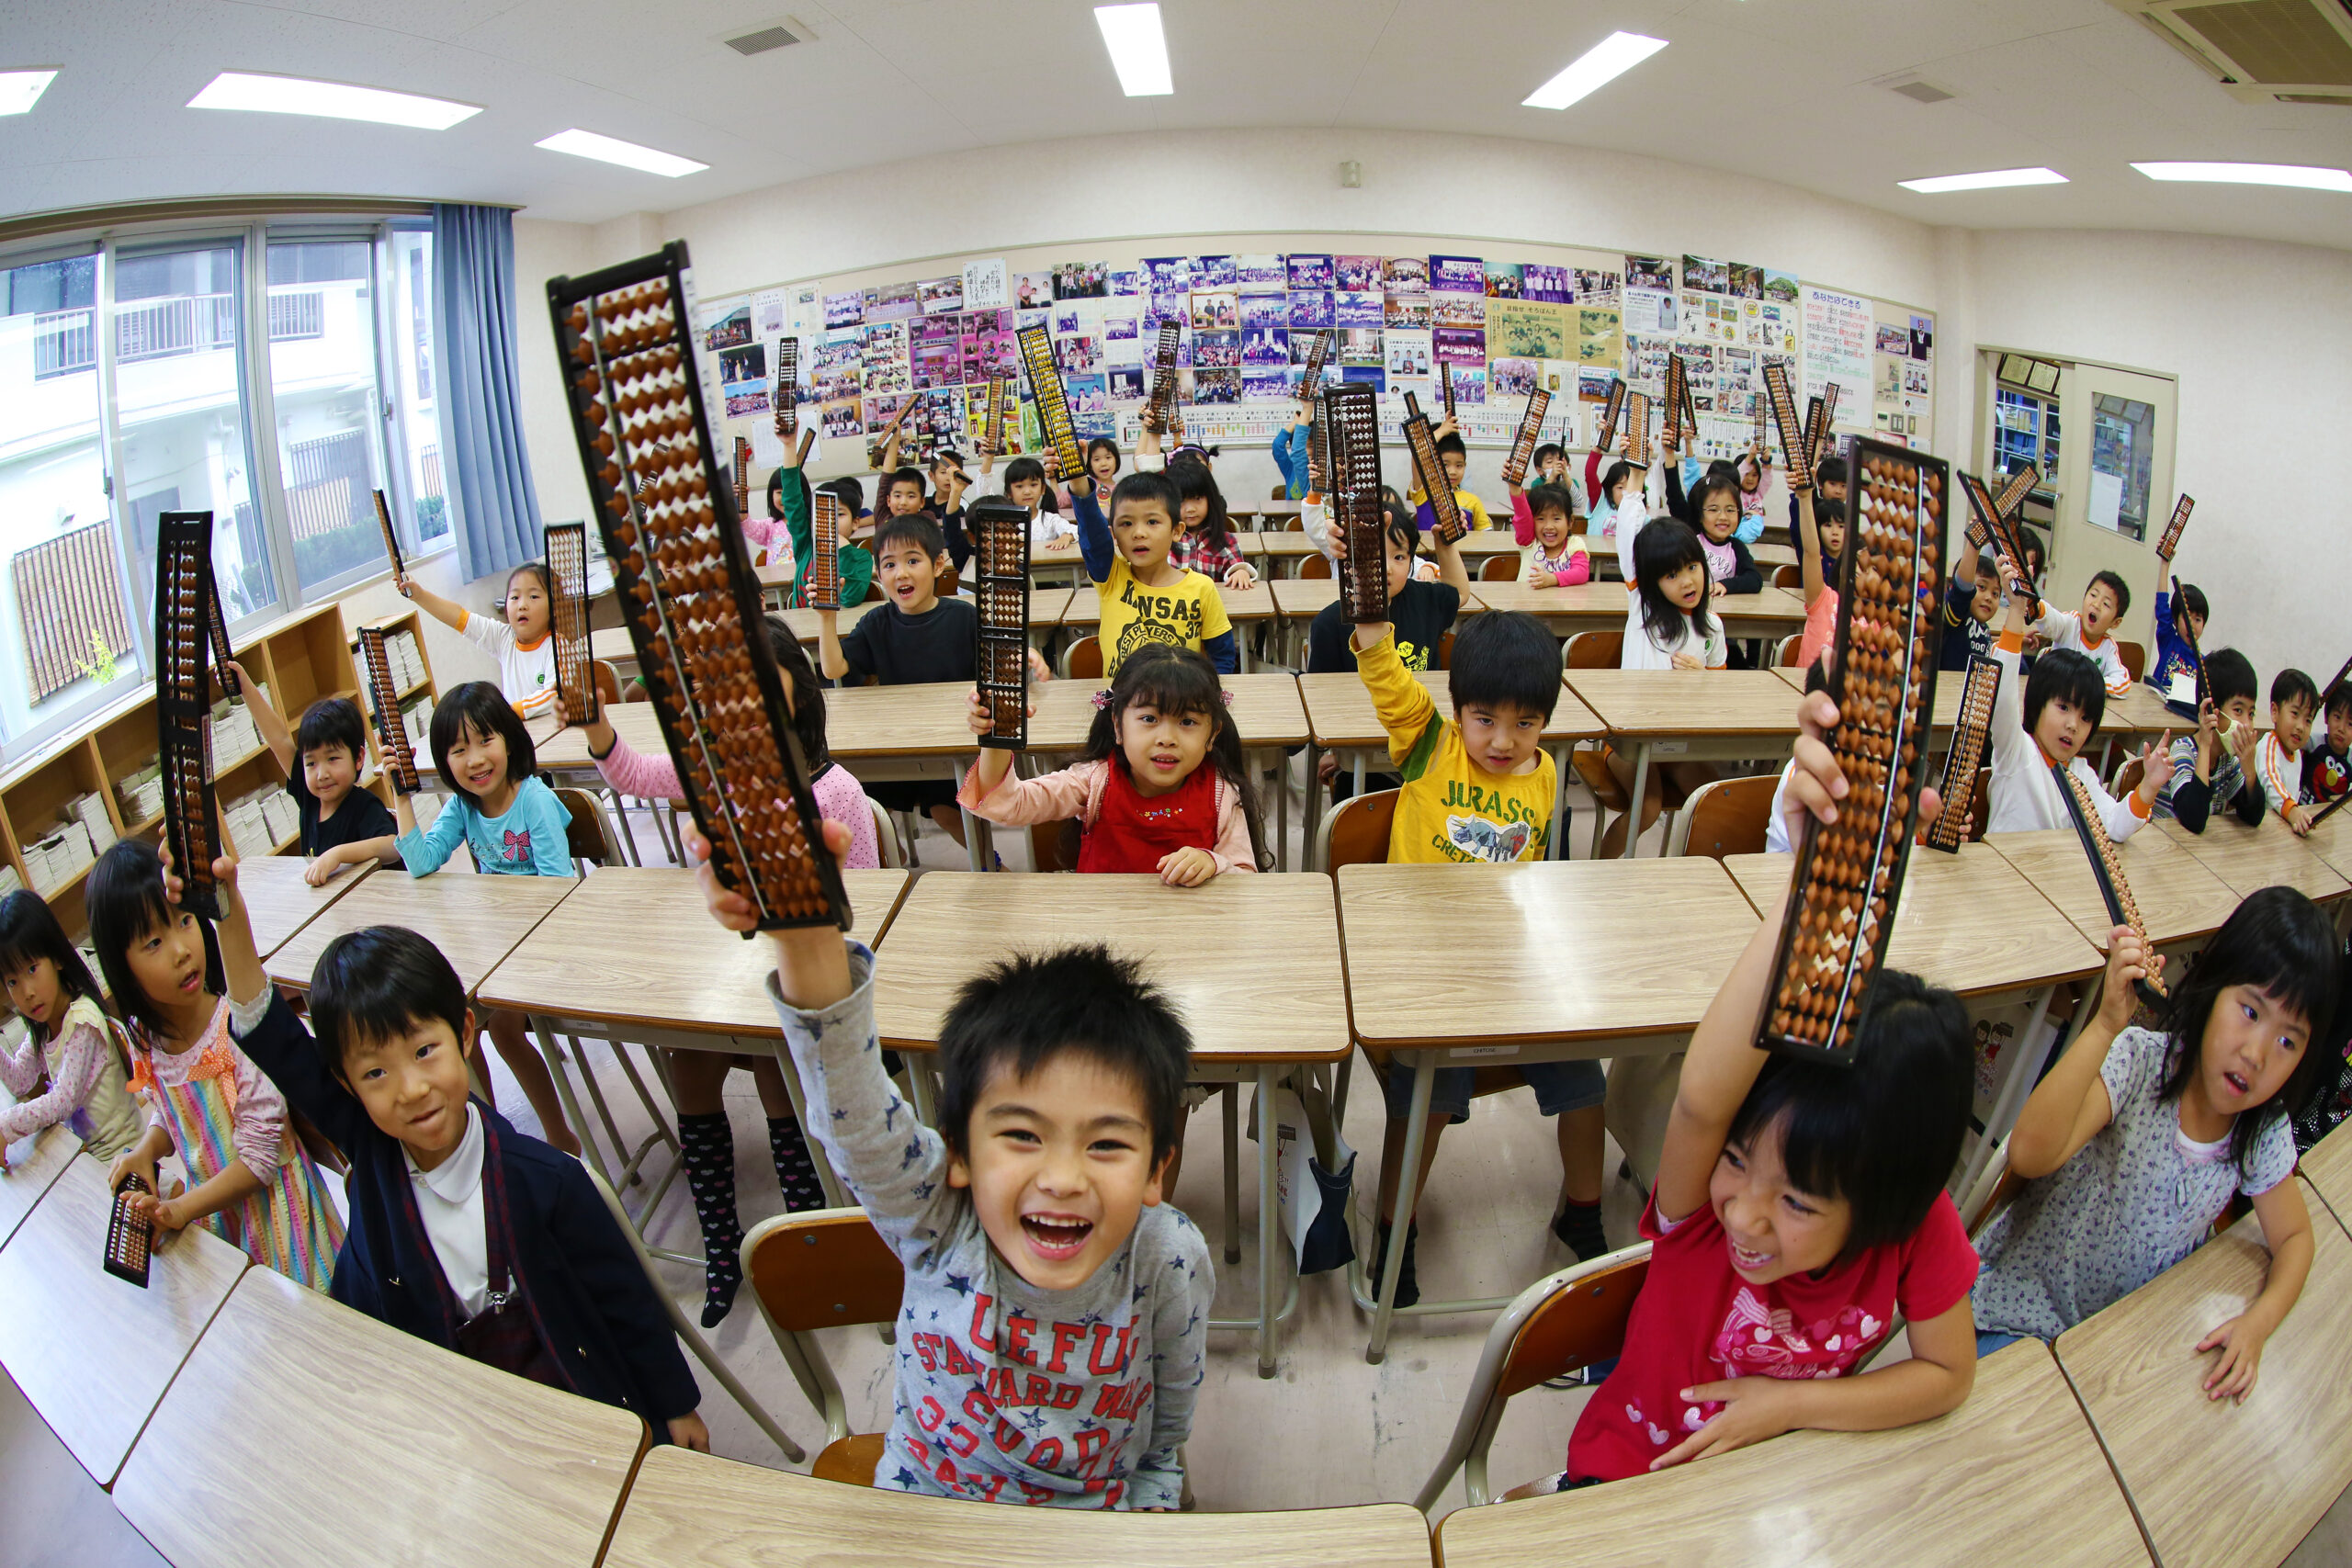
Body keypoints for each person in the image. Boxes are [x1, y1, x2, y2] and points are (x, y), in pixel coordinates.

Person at [1518, 694, 1978, 1490]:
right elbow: (1701, 1096)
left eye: (1798, 1202)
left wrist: (1788, 1406)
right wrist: (1811, 882)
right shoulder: (1704, 1215)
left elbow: (1947, 1374)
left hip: (1778, 1495)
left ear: (1885, 1202)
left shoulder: (1910, 1218)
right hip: (1634, 1472)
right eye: (1737, 1159)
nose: (1745, 1213)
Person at [695, 817, 1215, 1508]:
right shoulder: (940, 1221)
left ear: (1158, 1169)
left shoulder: (1166, 1255)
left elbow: (1171, 1408)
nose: (1062, 1178)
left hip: (1093, 1515)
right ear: (959, 1154)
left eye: (1107, 1143)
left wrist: (1152, 1497)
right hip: (926, 1498)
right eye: (1023, 1135)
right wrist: (808, 938)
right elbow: (858, 1125)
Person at [173, 849, 708, 1446]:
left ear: (465, 1034)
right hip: (457, 1417)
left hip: (571, 1397)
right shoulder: (371, 1149)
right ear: (347, 1085)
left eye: (425, 1050)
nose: (411, 1088)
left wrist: (675, 1405)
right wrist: (227, 917)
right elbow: (272, 1035)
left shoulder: (548, 1180)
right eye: (375, 1073)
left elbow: (626, 1299)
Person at [561, 620, 874, 1320]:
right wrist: (597, 726)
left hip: (802, 980)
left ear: (797, 702)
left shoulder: (837, 793)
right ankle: (720, 1236)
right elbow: (637, 774)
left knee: (765, 1057)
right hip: (731, 964)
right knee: (688, 1059)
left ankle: (807, 1225)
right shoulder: (715, 776)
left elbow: (864, 912)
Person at [1972, 887, 2335, 1399]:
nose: (2256, 1054)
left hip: (2117, 1348)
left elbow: (2296, 1239)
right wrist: (2103, 1026)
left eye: (2287, 1041)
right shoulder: (2142, 1064)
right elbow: (2030, 1153)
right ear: (2212, 989)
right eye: (2250, 1012)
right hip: (2023, 1312)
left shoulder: (2260, 1131)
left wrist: (2257, 1325)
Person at [1351, 610, 1591, 1296]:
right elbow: (1388, 678)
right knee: (1429, 1090)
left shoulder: (1543, 774)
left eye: (1526, 723)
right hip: (1426, 963)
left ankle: (1584, 1211)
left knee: (1585, 1064)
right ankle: (1397, 1226)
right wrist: (1372, 629)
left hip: (1503, 961)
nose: (1503, 740)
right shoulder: (1429, 745)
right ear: (1457, 710)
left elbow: (1533, 875)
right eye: (1485, 719)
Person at [89, 839, 344, 1290]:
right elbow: (174, 1115)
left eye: (185, 921)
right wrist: (148, 1148)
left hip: (287, 1228)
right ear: (121, 967)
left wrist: (183, 1209)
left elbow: (261, 1159)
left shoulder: (239, 1029)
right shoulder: (144, 1039)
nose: (181, 949)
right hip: (223, 1228)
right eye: (153, 941)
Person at [391, 682, 580, 1155]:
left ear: (510, 741)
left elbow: (558, 889)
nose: (474, 759)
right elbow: (422, 860)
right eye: (458, 749)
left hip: (546, 939)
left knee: (503, 1032)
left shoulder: (533, 800)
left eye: (485, 741)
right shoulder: (462, 806)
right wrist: (402, 799)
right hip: (497, 943)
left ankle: (560, 1137)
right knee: (461, 1027)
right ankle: (487, 1136)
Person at [818, 513, 1050, 850]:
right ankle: (890, 869)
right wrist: (826, 618)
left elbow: (1003, 658)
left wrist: (1024, 657)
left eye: (913, 560)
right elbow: (834, 669)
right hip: (899, 741)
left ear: (939, 564)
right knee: (861, 798)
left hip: (958, 742)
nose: (902, 573)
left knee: (942, 806)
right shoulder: (876, 622)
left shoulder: (964, 617)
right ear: (879, 573)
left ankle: (991, 865)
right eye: (889, 565)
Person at [959, 646, 1271, 882]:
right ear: (1119, 728)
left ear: (1212, 734)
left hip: (1189, 934)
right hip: (1102, 932)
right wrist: (997, 735)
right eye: (1149, 719)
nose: (1167, 738)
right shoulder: (1094, 780)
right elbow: (1009, 804)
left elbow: (1245, 881)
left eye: (1187, 721)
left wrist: (1214, 863)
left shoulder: (1222, 794)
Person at [1985, 575, 2165, 835]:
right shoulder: (2017, 749)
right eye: (2064, 708)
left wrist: (2148, 787)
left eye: (2085, 718)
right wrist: (2016, 610)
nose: (2073, 725)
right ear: (2037, 704)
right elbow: (2002, 697)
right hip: (2006, 872)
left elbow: (2115, 826)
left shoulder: (2082, 774)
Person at [1607, 515, 1727, 855]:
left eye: (1692, 566)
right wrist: (1635, 479)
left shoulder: (1713, 627)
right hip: (1630, 742)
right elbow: (1628, 540)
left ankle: (1685, 874)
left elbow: (1722, 690)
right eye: (1671, 575)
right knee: (1648, 808)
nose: (1687, 581)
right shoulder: (1645, 614)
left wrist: (1702, 679)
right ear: (1650, 583)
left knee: (1712, 797)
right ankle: (1595, 873)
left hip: (1677, 742)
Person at [0, 891, 141, 1162]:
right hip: (87, 1157)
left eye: (31, 969)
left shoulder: (81, 1021)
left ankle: (167, 1186)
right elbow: (20, 1081)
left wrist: (6, 1126)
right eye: (12, 982)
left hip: (123, 1156)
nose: (27, 992)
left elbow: (62, 1102)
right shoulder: (45, 1025)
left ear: (56, 958)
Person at [234, 671, 399, 886]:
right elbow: (279, 738)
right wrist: (244, 685)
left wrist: (337, 854)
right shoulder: (310, 798)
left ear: (358, 758)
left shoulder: (363, 805)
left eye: (332, 758)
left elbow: (393, 846)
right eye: (311, 763)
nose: (322, 774)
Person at [1070, 468, 1240, 677]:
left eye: (1152, 522)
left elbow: (1222, 656)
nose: (1139, 533)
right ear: (1113, 534)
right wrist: (1078, 482)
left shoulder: (1201, 587)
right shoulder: (1112, 577)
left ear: (1177, 531)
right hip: (1123, 704)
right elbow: (1093, 535)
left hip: (1179, 702)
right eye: (1126, 523)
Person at [396, 559, 563, 721]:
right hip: (518, 729)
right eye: (514, 597)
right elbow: (459, 618)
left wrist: (506, 712)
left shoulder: (557, 647)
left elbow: (555, 693)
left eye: (534, 597)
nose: (522, 605)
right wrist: (419, 595)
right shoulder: (504, 637)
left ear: (555, 607)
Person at [2154, 649, 2267, 833]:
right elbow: (2193, 820)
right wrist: (2205, 747)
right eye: (2238, 711)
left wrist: (2250, 773)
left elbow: (2253, 817)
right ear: (2209, 710)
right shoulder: (2183, 751)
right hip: (2165, 844)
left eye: (2251, 713)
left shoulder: (2228, 760)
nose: (2247, 724)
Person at [775, 432, 876, 611]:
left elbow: (850, 598)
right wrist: (789, 446)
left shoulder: (861, 558)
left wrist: (842, 548)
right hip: (803, 632)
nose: (829, 522)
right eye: (821, 514)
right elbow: (791, 500)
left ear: (855, 523)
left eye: (839, 515)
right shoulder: (806, 545)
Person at [2030, 570, 2134, 698]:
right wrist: (2037, 606)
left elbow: (2122, 683)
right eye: (2093, 595)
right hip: (2052, 693)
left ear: (2115, 622)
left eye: (2106, 604)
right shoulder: (2070, 624)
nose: (2096, 605)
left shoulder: (2108, 646)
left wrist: (2090, 685)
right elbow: (2053, 621)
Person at [1166, 457, 1257, 590]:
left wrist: (1241, 572)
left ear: (1210, 499)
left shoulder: (1225, 541)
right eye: (1181, 500)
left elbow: (1236, 569)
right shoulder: (1163, 540)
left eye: (1197, 498)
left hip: (1213, 607)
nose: (1190, 508)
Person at [2254, 668, 2320, 834]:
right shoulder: (2269, 745)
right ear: (2275, 712)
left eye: (2308, 720)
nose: (2300, 727)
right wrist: (2292, 811)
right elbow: (2272, 783)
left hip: (2279, 828)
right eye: (2295, 713)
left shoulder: (2296, 754)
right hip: (2256, 829)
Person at [1408, 425, 1495, 535]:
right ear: (1429, 465)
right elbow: (1418, 454)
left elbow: (1487, 535)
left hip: (1461, 551)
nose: (1452, 472)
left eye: (1459, 465)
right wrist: (1442, 430)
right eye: (1445, 465)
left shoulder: (1473, 501)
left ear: (1465, 466)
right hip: (1429, 551)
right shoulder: (1424, 493)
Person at [1792, 492, 1843, 671]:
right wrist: (1804, 498)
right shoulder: (1823, 599)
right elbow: (1809, 550)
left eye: (1841, 526)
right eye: (1828, 525)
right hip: (1810, 686)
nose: (1835, 531)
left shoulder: (1873, 616)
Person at [1515, 482, 1590, 589]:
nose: (1549, 526)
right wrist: (1515, 490)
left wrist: (1552, 579)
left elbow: (1581, 572)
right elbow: (1522, 515)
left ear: (1570, 522)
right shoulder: (1530, 541)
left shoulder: (1574, 544)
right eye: (1541, 519)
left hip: (1562, 604)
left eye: (1556, 519)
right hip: (1528, 604)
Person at [2148, 581, 2208, 713]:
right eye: (2186, 618)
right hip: (2154, 711)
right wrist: (2165, 564)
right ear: (2175, 620)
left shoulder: (2205, 663)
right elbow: (2162, 608)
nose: (2191, 625)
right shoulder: (2169, 641)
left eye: (2197, 619)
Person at [1938, 548, 2000, 673]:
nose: (1989, 598)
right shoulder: (1957, 617)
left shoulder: (1984, 628)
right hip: (1949, 689)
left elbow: (1977, 641)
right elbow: (1962, 591)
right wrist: (1973, 546)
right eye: (1982, 587)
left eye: (1995, 593)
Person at [1000, 457, 1077, 552]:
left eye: (1033, 485)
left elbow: (1076, 530)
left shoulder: (1050, 520)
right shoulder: (1004, 523)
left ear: (1043, 489)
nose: (1027, 492)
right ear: (1009, 493)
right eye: (1019, 486)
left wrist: (1066, 536)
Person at [2303, 678, 2351, 807]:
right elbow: (2294, 735)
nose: (2341, 728)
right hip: (2302, 811)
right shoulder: (2313, 742)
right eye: (2337, 717)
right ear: (2326, 717)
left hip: (2331, 821)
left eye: (2350, 724)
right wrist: (2312, 708)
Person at [1270, 400, 1312, 501]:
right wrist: (1296, 422)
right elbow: (1277, 446)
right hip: (1292, 515)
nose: (1305, 451)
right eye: (1301, 447)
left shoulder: (1320, 470)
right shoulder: (1290, 467)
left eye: (1310, 446)